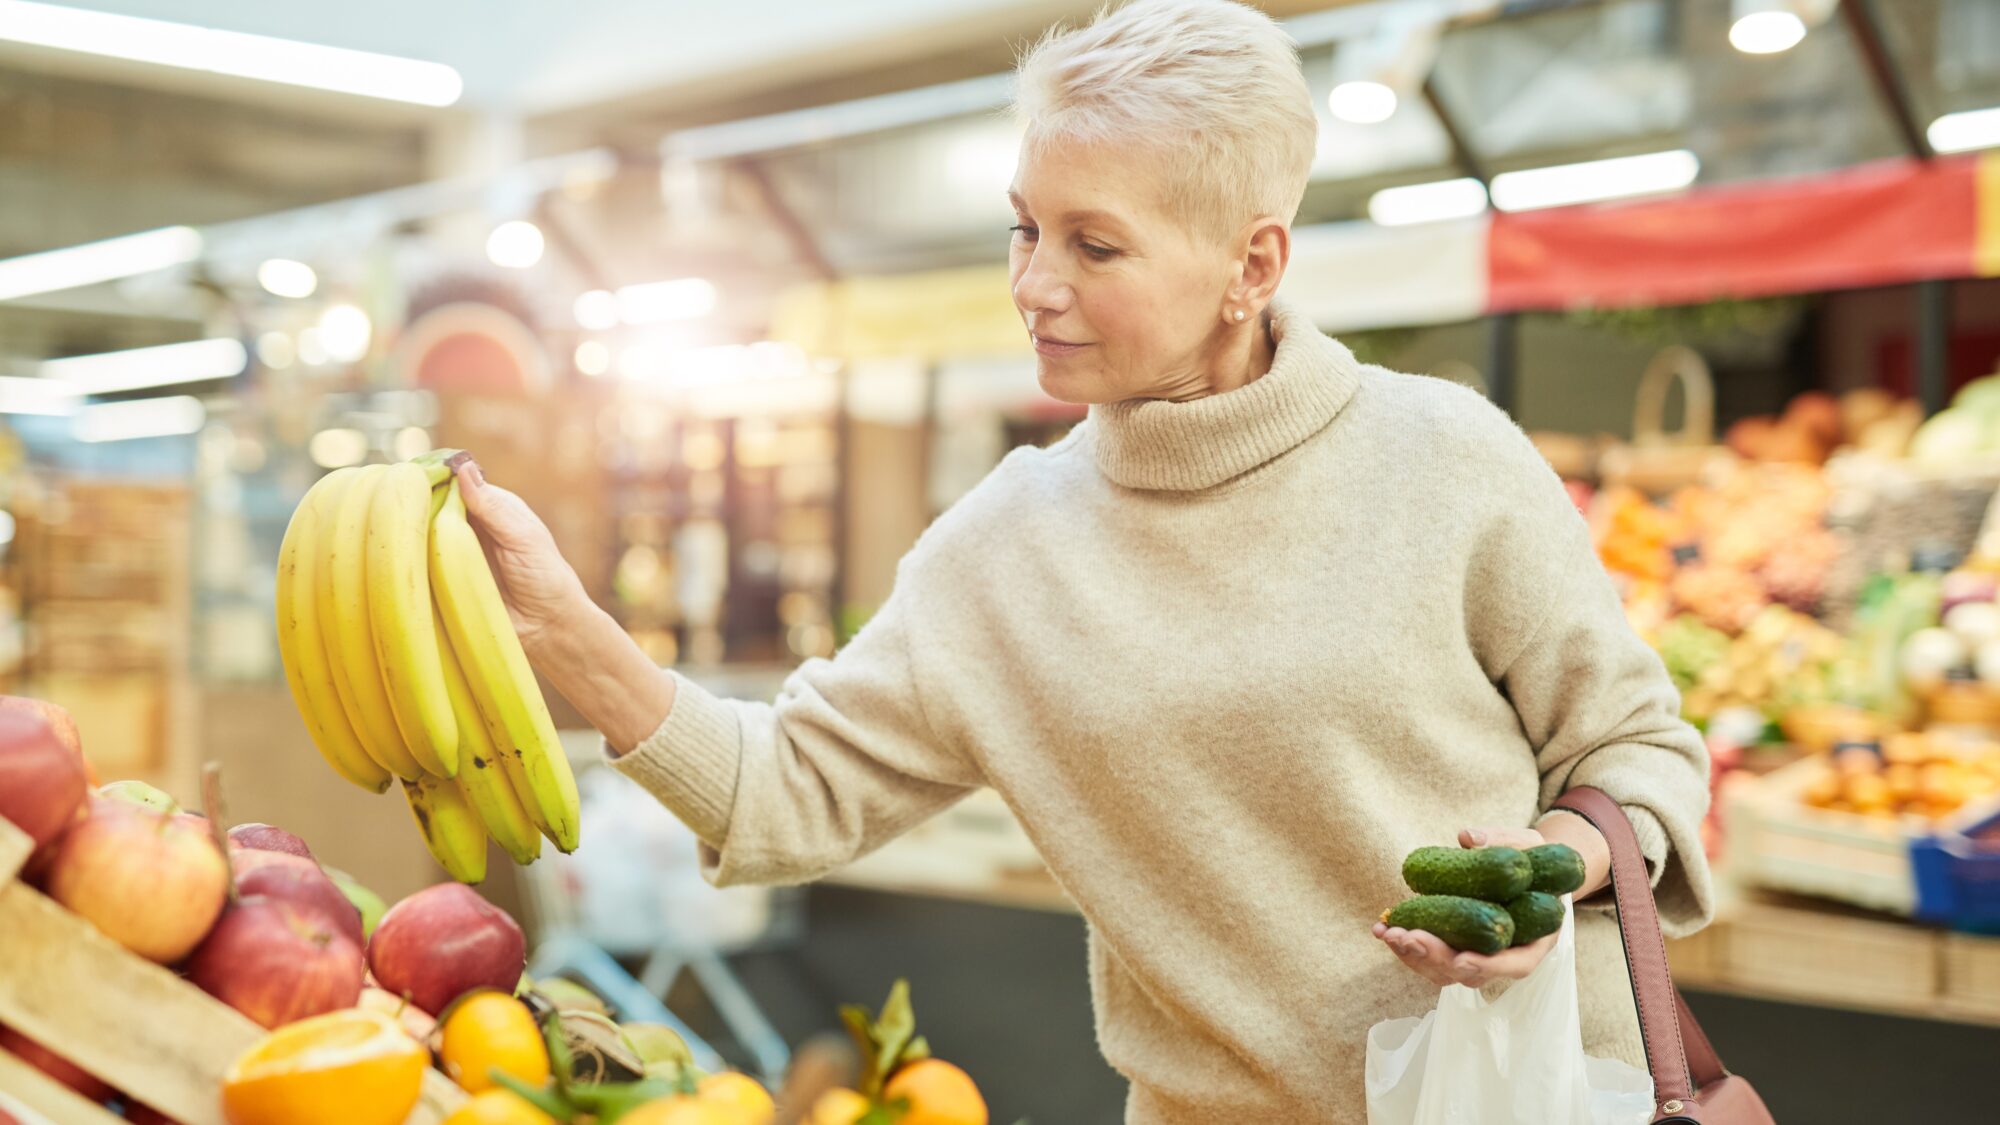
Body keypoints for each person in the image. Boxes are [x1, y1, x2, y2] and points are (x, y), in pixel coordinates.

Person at [455, 1, 1712, 1119]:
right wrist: (561, 623)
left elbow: (1634, 749)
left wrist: (1550, 874)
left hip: (1531, 1096)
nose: (1033, 285)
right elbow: (783, 789)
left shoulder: (1444, 457)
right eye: (1024, 230)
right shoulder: (1004, 550)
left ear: (1251, 265)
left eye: (1093, 247)